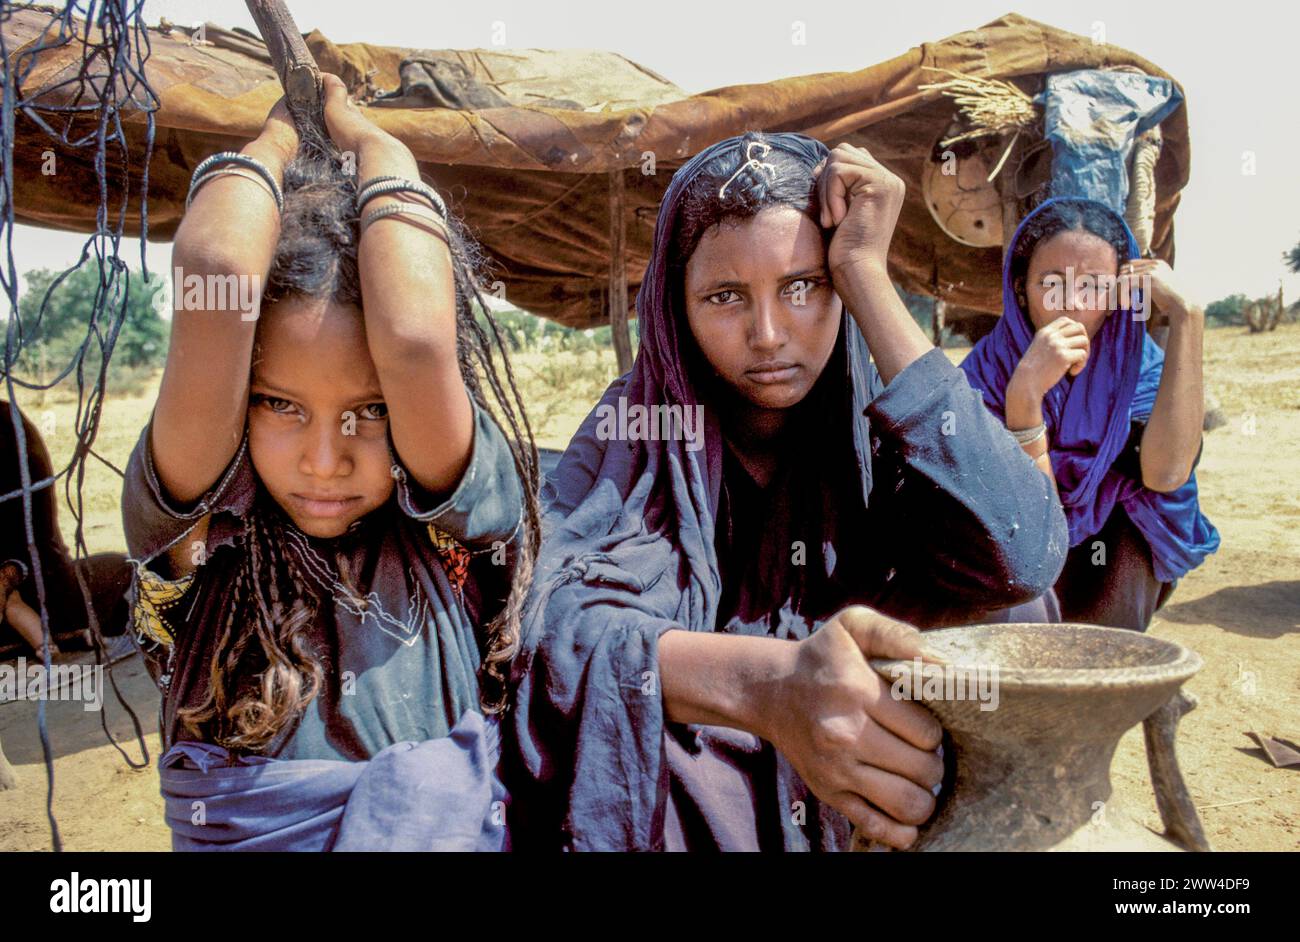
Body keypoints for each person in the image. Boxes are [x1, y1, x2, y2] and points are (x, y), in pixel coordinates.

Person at [506, 132, 1068, 852]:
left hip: (866, 723)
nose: (768, 334)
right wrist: (773, 687)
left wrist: (866, 270)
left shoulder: (881, 422)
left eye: (805, 287)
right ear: (676, 309)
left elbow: (1024, 557)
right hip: (720, 732)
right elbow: (555, 622)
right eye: (725, 296)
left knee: (1015, 611)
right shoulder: (642, 423)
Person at [120, 75, 538, 850]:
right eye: (279, 404)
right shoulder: (201, 526)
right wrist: (275, 142)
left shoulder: (443, 521)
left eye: (371, 412)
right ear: (236, 402)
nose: (324, 460)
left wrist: (373, 144)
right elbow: (217, 282)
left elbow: (413, 342)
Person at [959, 197, 1219, 631]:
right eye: (1052, 284)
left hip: (1112, 562)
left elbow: (1166, 476)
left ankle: (1115, 674)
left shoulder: (1140, 367)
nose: (1073, 305)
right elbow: (1014, 516)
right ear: (1020, 288)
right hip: (1020, 549)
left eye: (1095, 286)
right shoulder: (986, 374)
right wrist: (1024, 396)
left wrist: (1188, 317)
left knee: (1129, 509)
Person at [2, 401, 132, 662]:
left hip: (29, 586)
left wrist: (7, 577)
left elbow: (38, 541)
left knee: (118, 568)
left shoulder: (6, 425)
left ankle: (50, 637)